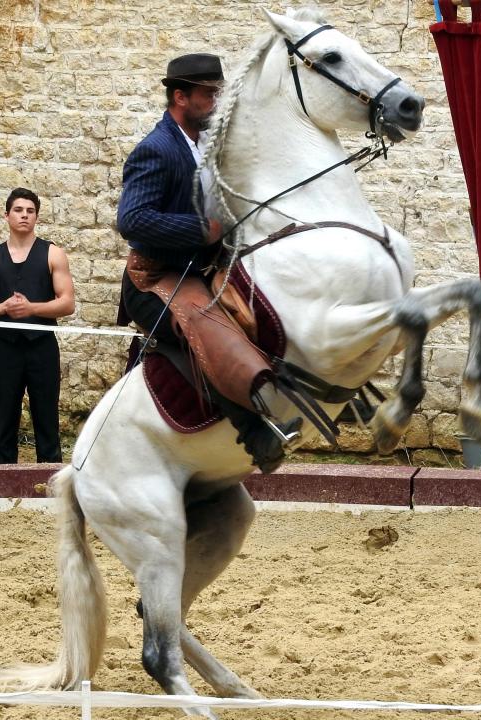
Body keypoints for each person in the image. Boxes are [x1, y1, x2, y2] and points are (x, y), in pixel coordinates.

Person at [115, 52, 300, 473]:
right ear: (180, 97)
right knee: (209, 330)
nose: (216, 102)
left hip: (198, 272)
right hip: (153, 280)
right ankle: (253, 431)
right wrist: (202, 230)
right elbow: (132, 220)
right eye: (208, 95)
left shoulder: (202, 146)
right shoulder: (156, 150)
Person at [0, 188, 76, 464]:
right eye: (18, 210)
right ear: (7, 215)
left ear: (36, 217)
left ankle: (49, 482)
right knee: (5, 420)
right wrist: (1, 308)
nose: (24, 216)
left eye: (30, 211)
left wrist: (32, 309)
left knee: (47, 421)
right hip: (6, 349)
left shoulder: (53, 254)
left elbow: (67, 304)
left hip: (42, 348)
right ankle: (2, 484)